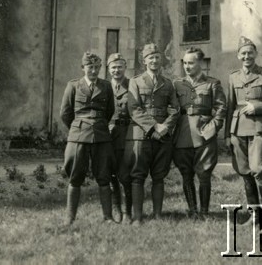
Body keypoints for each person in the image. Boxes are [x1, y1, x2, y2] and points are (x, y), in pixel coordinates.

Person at [225, 36, 262, 228]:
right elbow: (229, 107)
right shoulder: (233, 77)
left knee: (259, 170)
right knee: (245, 172)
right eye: (243, 53)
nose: (247, 56)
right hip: (239, 130)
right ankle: (255, 215)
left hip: (260, 129)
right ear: (238, 55)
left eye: (250, 52)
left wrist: (257, 107)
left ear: (256, 54)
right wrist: (227, 134)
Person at [125, 43, 180, 225]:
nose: (154, 60)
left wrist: (165, 126)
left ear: (161, 59)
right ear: (144, 61)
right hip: (142, 135)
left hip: (163, 135)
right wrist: (154, 127)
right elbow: (134, 109)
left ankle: (157, 215)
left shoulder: (168, 83)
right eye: (151, 58)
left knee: (159, 175)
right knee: (138, 175)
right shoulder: (136, 81)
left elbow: (174, 108)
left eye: (157, 57)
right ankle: (138, 217)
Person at [60, 52, 115, 225]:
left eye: (97, 67)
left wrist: (97, 125)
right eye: (90, 67)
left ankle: (107, 217)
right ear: (83, 68)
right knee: (75, 176)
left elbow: (109, 111)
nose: (93, 71)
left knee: (104, 176)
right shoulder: (74, 86)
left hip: (100, 135)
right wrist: (78, 128)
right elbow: (65, 113)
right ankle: (70, 218)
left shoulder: (106, 86)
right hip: (78, 136)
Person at [173, 47, 227, 217]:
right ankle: (192, 210)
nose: (187, 66)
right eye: (185, 63)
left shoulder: (212, 83)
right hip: (182, 134)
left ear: (201, 63)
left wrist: (212, 129)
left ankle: (204, 211)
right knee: (186, 174)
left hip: (204, 134)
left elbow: (221, 109)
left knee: (204, 174)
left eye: (191, 63)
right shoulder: (177, 84)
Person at [107, 52, 132, 223]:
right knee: (110, 175)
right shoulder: (104, 87)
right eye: (113, 67)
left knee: (125, 174)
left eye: (120, 67)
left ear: (125, 67)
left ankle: (127, 211)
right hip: (107, 136)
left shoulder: (132, 85)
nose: (117, 70)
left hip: (125, 134)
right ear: (109, 69)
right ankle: (116, 209)